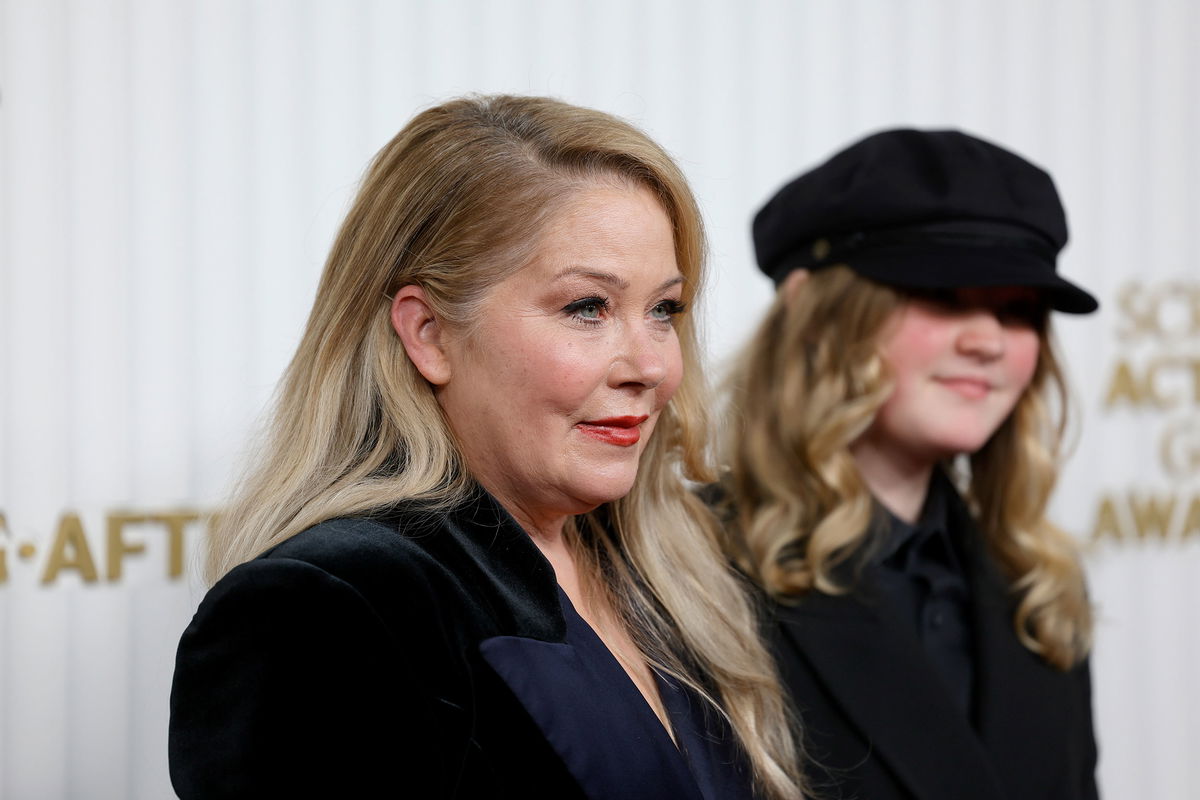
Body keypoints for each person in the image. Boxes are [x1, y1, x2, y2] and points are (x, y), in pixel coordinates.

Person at [168, 95, 805, 800]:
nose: (651, 366)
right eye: (586, 308)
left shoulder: (672, 573)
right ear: (430, 334)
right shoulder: (326, 610)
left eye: (664, 311)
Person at [718, 129, 1099, 800]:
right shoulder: (691, 569)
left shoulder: (1038, 589)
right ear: (814, 313)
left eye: (1018, 311)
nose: (985, 340)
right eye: (944, 295)